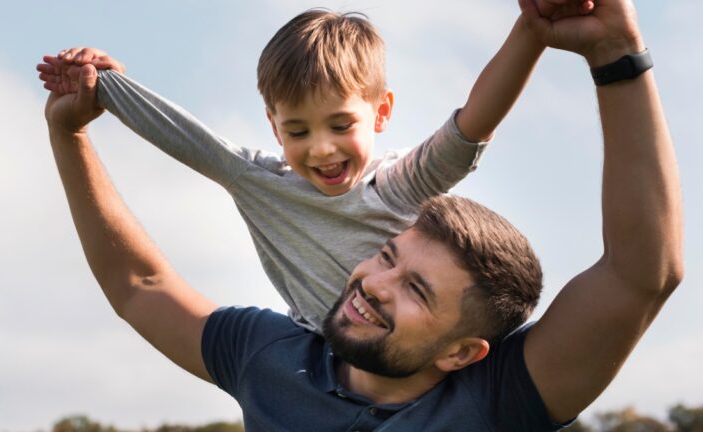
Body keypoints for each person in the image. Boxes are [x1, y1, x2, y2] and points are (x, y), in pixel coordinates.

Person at [42, 0, 683, 429]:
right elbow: (139, 285)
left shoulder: (498, 399)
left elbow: (640, 275)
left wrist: (615, 52)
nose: (374, 284)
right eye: (386, 256)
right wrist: (70, 136)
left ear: (464, 351)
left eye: (417, 292)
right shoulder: (269, 361)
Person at [37, 2, 594, 333]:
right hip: (321, 361)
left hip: (420, 359)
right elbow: (185, 137)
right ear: (275, 128)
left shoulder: (396, 186)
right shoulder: (260, 181)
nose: (322, 150)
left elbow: (472, 125)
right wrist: (103, 86)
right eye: (298, 132)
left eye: (340, 125)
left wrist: (532, 28)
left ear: (381, 113)